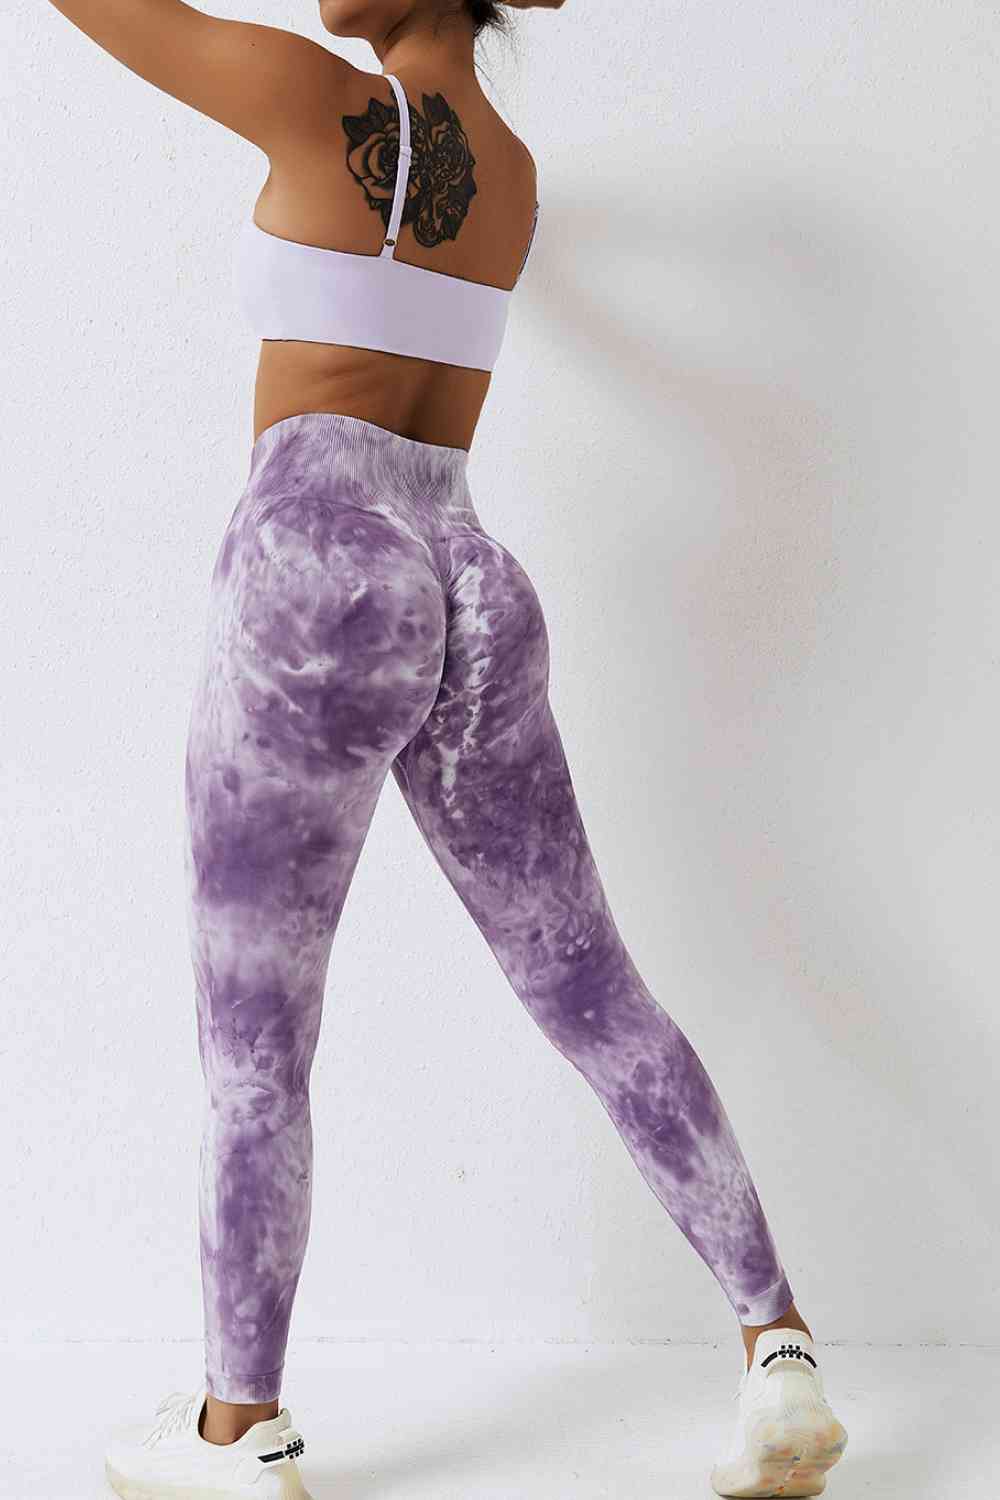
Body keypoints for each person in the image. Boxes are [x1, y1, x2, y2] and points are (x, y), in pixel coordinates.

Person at [42, 2, 848, 1497]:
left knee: (256, 1038)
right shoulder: (515, 178)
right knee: (591, 983)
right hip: (469, 569)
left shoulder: (307, 96)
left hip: (316, 568)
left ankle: (237, 1429)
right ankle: (777, 1345)